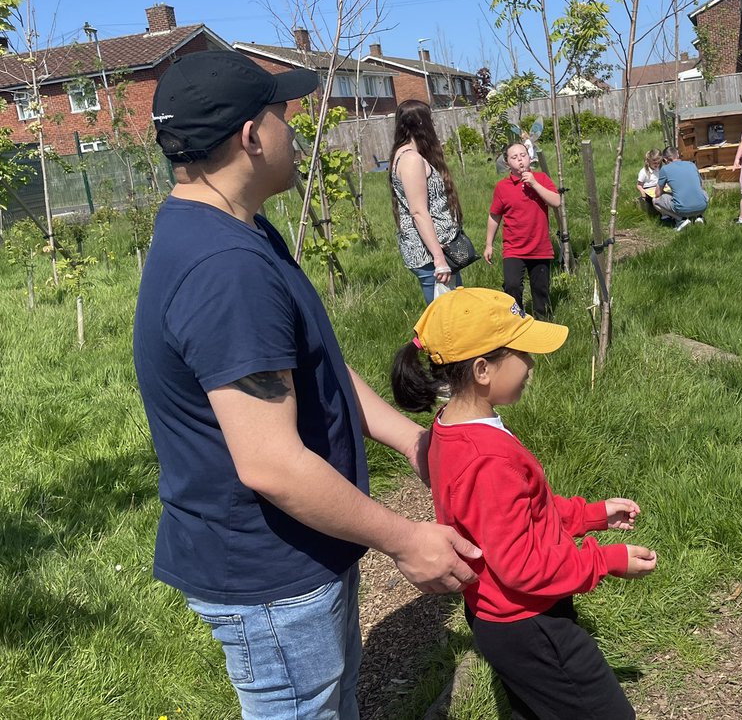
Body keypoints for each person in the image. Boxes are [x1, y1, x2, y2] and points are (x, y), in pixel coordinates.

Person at [133, 51, 479, 720]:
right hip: (269, 575)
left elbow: (311, 361)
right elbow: (271, 464)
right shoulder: (225, 269)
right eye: (282, 115)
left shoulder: (233, 227)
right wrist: (407, 541)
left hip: (294, 553)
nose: (293, 130)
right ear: (249, 137)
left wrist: (411, 440)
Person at [391, 287, 657, 720]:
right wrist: (605, 561)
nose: (531, 364)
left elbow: (524, 514)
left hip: (500, 615)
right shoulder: (487, 459)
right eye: (522, 353)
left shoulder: (453, 430)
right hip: (529, 622)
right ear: (481, 369)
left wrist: (590, 515)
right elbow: (521, 566)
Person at [390, 99, 467, 304]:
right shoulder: (410, 159)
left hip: (438, 250)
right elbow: (418, 212)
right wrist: (439, 259)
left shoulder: (409, 154)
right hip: (430, 256)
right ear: (422, 124)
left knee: (454, 315)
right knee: (445, 322)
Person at [485, 142, 561, 320]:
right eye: (514, 157)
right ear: (507, 163)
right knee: (512, 286)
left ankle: (543, 325)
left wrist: (534, 184)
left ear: (529, 157)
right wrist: (489, 244)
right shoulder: (502, 188)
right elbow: (494, 216)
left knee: (540, 291)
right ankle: (516, 321)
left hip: (539, 247)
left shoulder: (540, 179)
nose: (520, 160)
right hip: (514, 248)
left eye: (523, 155)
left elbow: (556, 201)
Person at [654, 146, 709, 230]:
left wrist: (667, 192)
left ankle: (681, 220)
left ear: (665, 159)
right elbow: (701, 185)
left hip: (682, 208)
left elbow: (657, 193)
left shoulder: (665, 169)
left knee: (655, 201)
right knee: (703, 192)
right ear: (678, 155)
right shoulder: (692, 164)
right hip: (702, 206)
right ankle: (698, 216)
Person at [636, 148, 666, 220]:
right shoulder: (644, 172)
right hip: (648, 192)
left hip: (659, 188)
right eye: (655, 163)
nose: (657, 165)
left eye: (659, 163)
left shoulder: (661, 169)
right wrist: (642, 192)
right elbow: (639, 185)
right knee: (657, 198)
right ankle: (664, 214)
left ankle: (667, 212)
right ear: (649, 161)